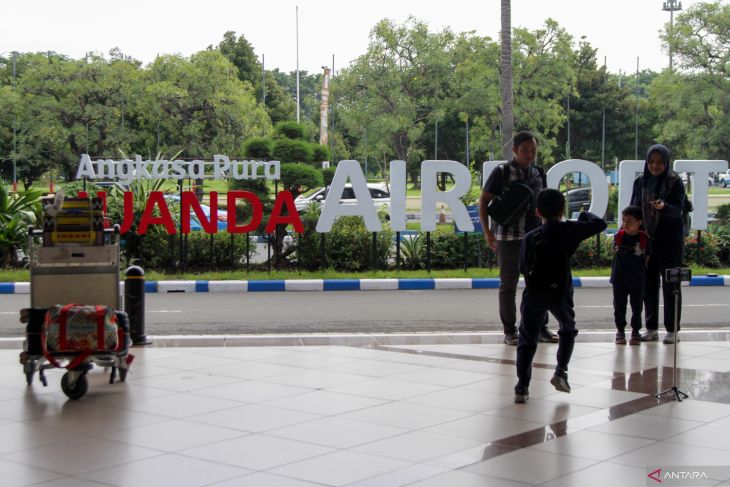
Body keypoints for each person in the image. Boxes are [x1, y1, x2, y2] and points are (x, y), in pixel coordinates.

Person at [513, 189, 606, 403]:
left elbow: (522, 267)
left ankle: (522, 387)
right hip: (560, 292)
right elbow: (599, 224)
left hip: (534, 293)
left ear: (538, 212)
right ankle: (561, 371)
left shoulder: (531, 237)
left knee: (527, 338)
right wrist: (583, 216)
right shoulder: (569, 231)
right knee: (567, 328)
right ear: (562, 211)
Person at [479, 131, 558, 346]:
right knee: (509, 285)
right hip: (507, 237)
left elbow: (545, 204)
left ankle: (541, 327)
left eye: (533, 150)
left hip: (535, 238)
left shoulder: (539, 172)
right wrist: (487, 232)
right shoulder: (502, 172)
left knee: (539, 283)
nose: (529, 154)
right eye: (525, 150)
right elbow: (484, 201)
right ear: (515, 150)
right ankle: (510, 330)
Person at [630, 144, 687, 344]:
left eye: (660, 162)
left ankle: (672, 330)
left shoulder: (674, 182)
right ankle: (651, 328)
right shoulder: (640, 182)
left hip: (670, 241)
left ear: (666, 162)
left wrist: (663, 207)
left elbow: (678, 210)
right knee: (648, 284)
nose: (655, 166)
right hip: (647, 239)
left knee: (671, 285)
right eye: (651, 161)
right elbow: (634, 207)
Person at [610, 206, 648, 345]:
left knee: (637, 306)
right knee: (619, 306)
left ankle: (635, 331)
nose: (625, 224)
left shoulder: (644, 238)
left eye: (630, 221)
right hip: (619, 277)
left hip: (637, 278)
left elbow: (647, 256)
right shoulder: (618, 236)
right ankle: (620, 331)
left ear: (639, 222)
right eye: (624, 220)